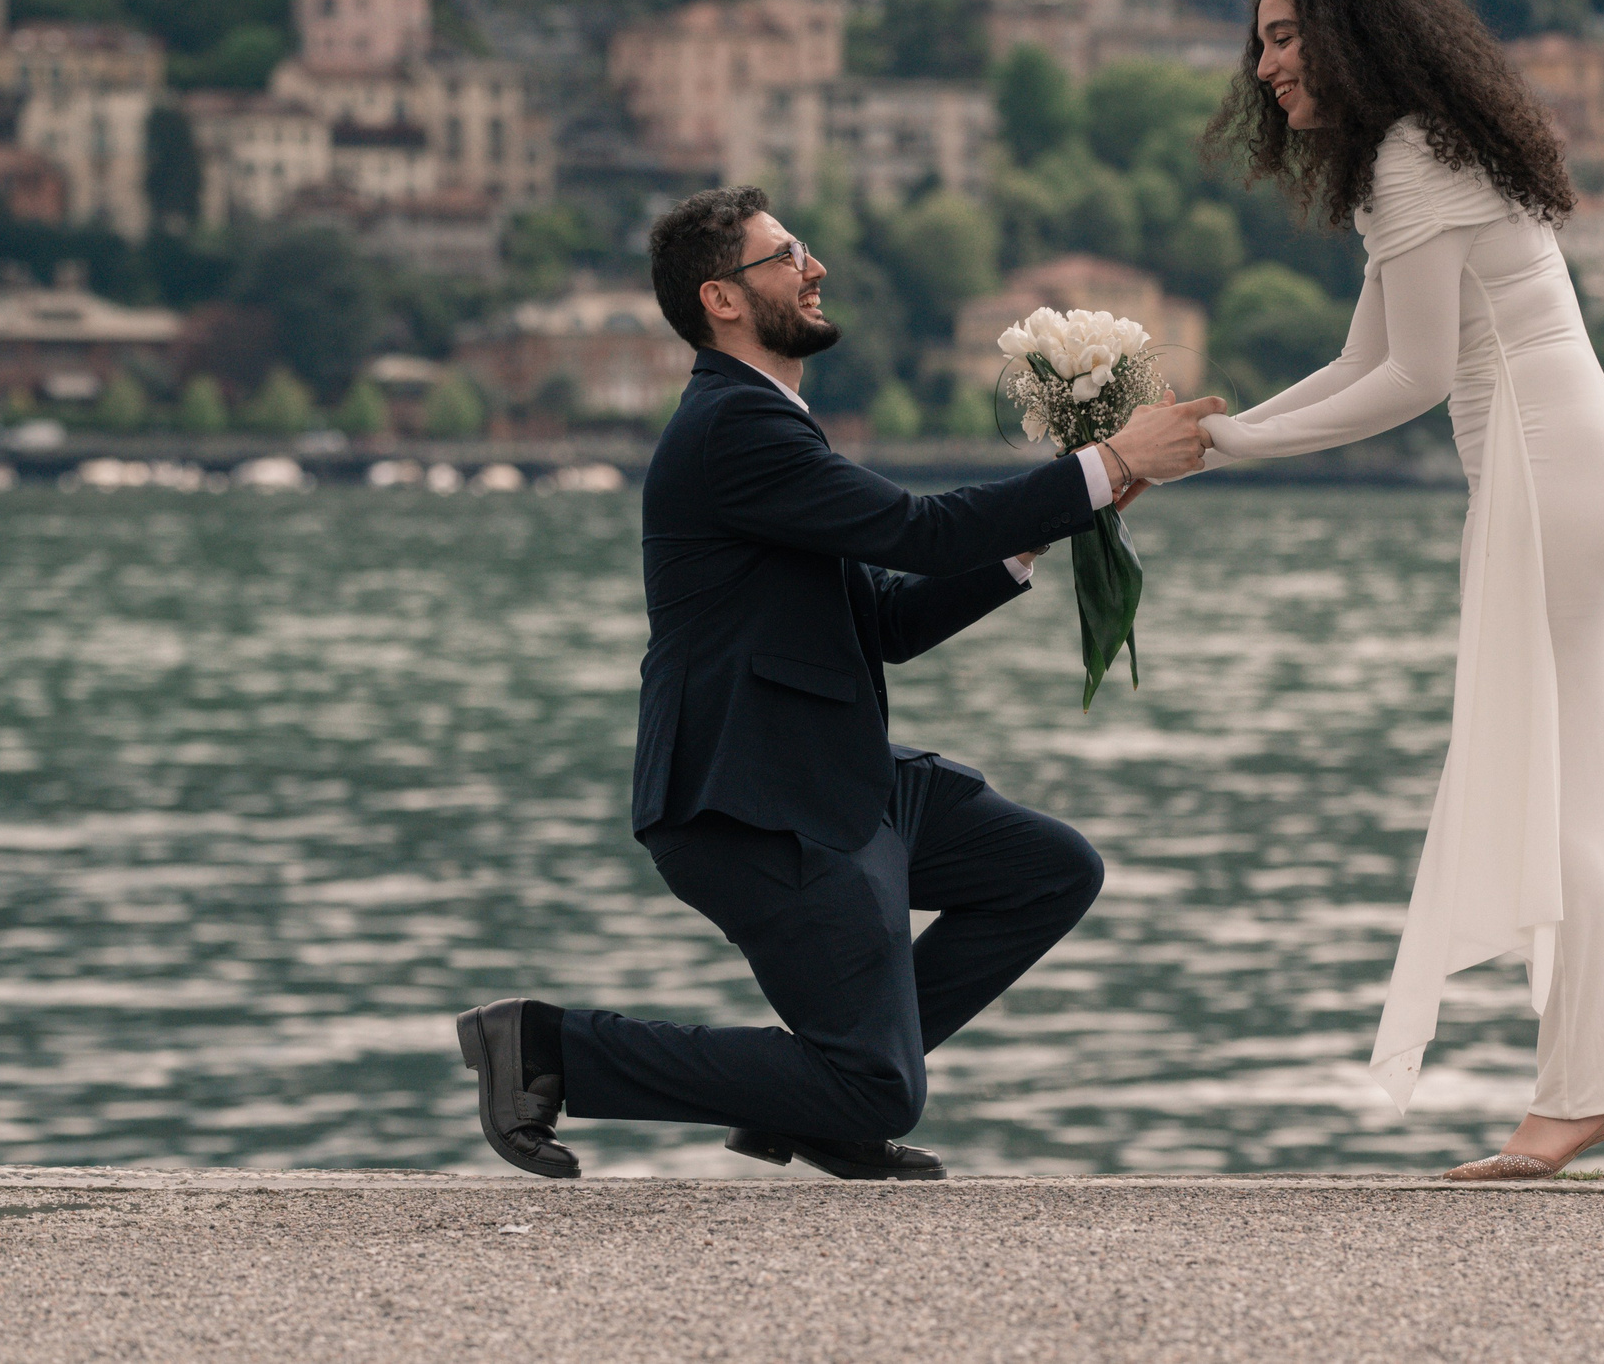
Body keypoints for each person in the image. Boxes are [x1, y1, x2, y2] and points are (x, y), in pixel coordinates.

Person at [1196, 0, 1604, 1179]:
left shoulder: (1407, 155)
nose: (1264, 64)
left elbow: (1412, 380)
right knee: (1584, 792)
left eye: (1284, 38)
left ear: (1348, 38)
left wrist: (1218, 449)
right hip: (1566, 475)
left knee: (1565, 798)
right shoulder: (1423, 149)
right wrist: (1216, 437)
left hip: (1553, 484)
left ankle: (1590, 1090)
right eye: (1260, 39)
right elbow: (1356, 362)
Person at [457, 185, 1224, 1180]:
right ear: (720, 299)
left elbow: (889, 623)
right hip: (753, 801)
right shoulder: (734, 428)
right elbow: (918, 529)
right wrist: (1106, 461)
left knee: (1047, 872)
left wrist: (1032, 534)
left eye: (805, 248)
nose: (814, 267)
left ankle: (823, 1100)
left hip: (834, 775)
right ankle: (549, 1050)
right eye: (785, 256)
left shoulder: (773, 431)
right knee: (877, 1088)